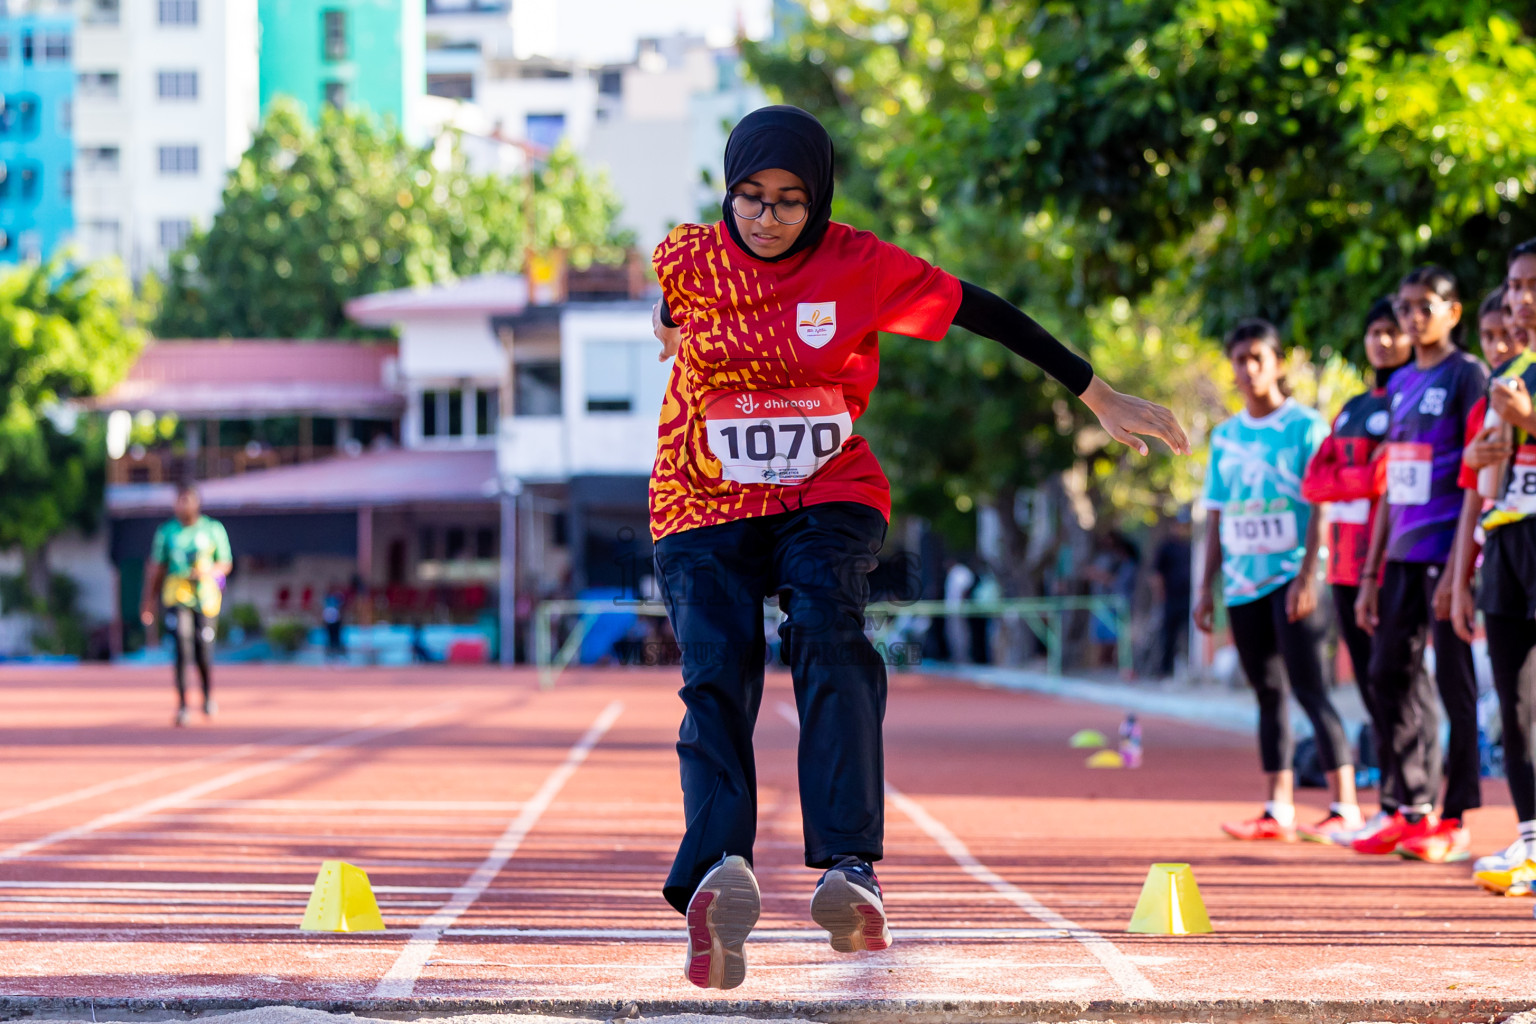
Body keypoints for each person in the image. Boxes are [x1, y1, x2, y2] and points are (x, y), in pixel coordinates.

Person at [648, 105, 1188, 989]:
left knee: (830, 634)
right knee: (716, 669)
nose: (767, 218)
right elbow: (666, 302)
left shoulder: (861, 264)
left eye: (789, 201)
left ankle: (848, 869)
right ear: (727, 193)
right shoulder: (688, 254)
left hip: (827, 488)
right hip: (699, 494)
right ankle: (718, 871)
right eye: (749, 198)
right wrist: (662, 325)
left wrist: (1096, 393)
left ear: (817, 201)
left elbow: (982, 310)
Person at [1195, 319, 1359, 841]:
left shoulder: (1305, 427)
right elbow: (1217, 515)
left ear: (1278, 363)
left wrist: (1310, 573)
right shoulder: (1225, 437)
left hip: (1293, 576)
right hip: (1242, 584)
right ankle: (1278, 807)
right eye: (1239, 360)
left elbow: (1321, 504)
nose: (1247, 369)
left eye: (1257, 358)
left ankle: (1345, 805)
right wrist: (1206, 588)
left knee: (1312, 688)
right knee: (1267, 693)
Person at [1353, 266, 1489, 863]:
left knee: (1456, 685)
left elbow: (1477, 476)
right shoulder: (1401, 381)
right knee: (1387, 674)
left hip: (1448, 554)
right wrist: (1368, 571)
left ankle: (1455, 816)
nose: (1412, 317)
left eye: (1424, 306)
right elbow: (1388, 487)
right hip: (1401, 556)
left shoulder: (1469, 375)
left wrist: (1461, 568)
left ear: (1452, 312)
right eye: (1404, 307)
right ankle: (1413, 807)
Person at [1299, 298, 1411, 843]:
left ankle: (1412, 801)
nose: (1382, 341)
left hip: (1390, 562)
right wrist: (1355, 478)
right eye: (1374, 332)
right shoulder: (1350, 409)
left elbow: (1382, 482)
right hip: (1343, 566)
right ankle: (1388, 802)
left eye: (1392, 331)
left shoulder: (1412, 401)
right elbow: (1315, 483)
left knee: (1400, 683)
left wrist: (1354, 479)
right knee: (1370, 685)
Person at [1453, 240, 1536, 893]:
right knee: (1514, 705)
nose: (1520, 301)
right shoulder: (1509, 375)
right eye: (1513, 287)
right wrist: (1491, 453)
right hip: (1507, 545)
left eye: (1531, 286)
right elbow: (1485, 483)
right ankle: (1531, 840)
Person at [139, 483, 232, 727]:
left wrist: (208, 572)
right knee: (182, 645)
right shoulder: (167, 532)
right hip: (177, 596)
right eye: (178, 501)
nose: (182, 505)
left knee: (203, 649)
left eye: (186, 500)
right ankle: (182, 705)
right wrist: (149, 601)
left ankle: (207, 695)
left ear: (196, 502)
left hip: (206, 599)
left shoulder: (213, 529)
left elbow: (225, 563)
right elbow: (157, 568)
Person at [1150, 512, 1193, 679]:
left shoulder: (1192, 545)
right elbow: (1156, 574)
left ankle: (1187, 668)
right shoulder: (1166, 547)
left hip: (1189, 598)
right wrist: (1160, 595)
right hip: (1171, 598)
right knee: (1168, 634)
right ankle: (1165, 669)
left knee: (1190, 634)